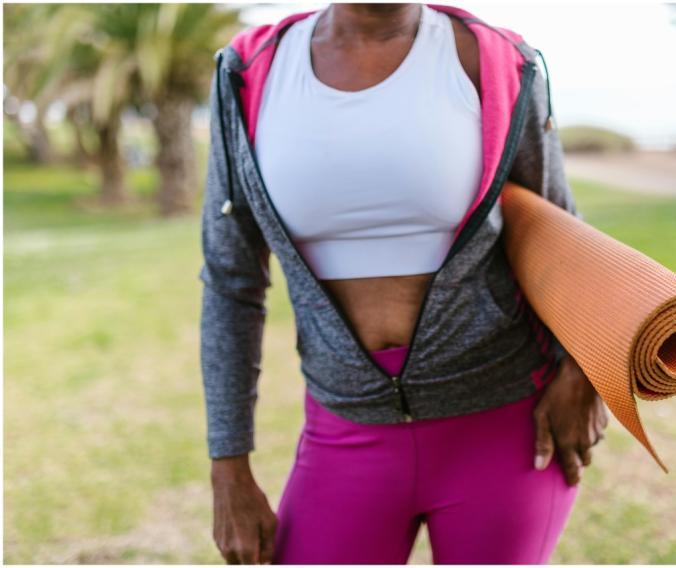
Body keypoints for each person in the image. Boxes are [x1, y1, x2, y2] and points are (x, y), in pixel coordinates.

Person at [199, 2, 608, 564]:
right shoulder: (251, 70)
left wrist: (584, 367)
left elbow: (559, 230)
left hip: (505, 425)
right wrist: (228, 464)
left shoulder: (496, 59)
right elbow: (231, 278)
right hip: (345, 425)